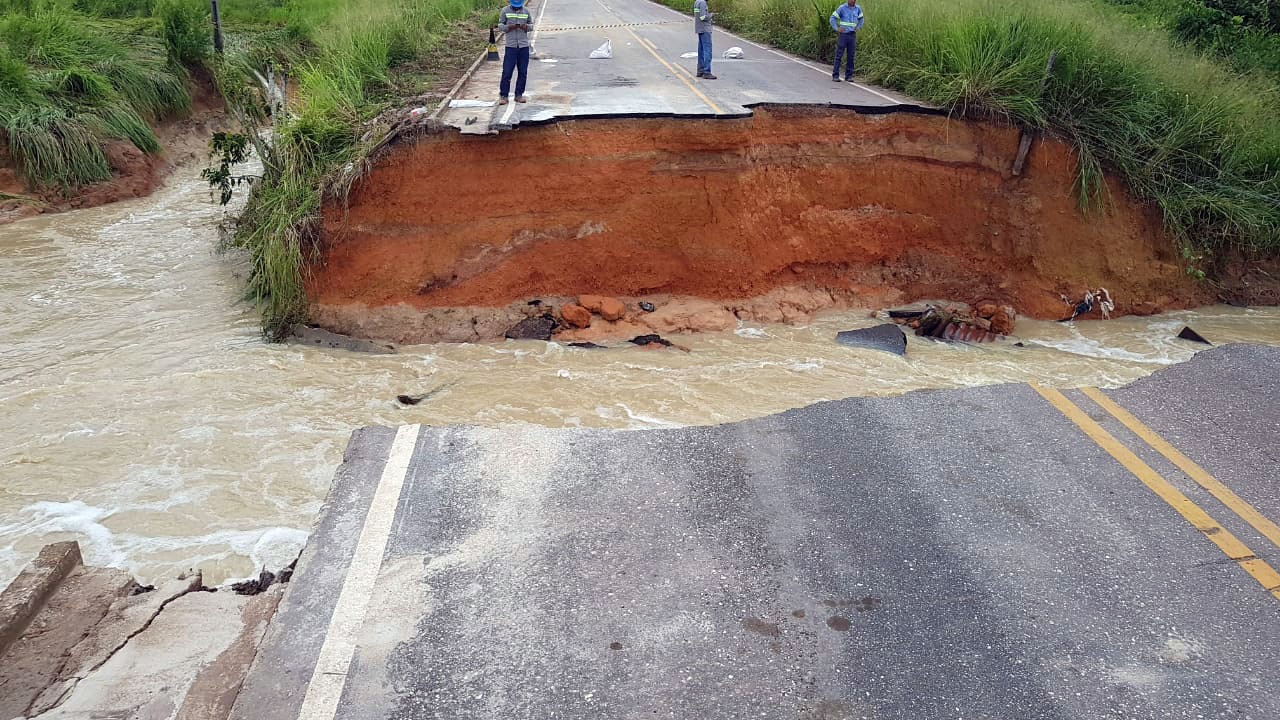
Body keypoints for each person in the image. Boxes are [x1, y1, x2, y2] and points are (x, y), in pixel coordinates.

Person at [498, 0, 533, 104]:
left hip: (523, 46)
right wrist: (509, 27)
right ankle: (504, 95)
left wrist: (525, 27)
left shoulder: (526, 11)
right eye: (515, 7)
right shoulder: (505, 11)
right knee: (507, 72)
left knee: (523, 72)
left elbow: (531, 25)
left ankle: (519, 95)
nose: (517, 8)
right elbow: (500, 25)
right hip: (511, 46)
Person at [829, 0, 864, 82]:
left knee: (851, 56)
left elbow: (861, 19)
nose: (853, 1)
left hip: (852, 35)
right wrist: (837, 28)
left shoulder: (858, 8)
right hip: (843, 35)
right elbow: (832, 18)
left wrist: (858, 27)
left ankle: (849, 76)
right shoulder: (842, 8)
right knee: (839, 55)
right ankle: (835, 75)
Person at [693, 0, 717, 80]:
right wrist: (711, 15)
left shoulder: (697, 2)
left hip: (699, 28)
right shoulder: (703, 3)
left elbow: (698, 15)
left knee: (701, 51)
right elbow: (702, 17)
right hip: (705, 29)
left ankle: (700, 70)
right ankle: (707, 72)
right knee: (707, 51)